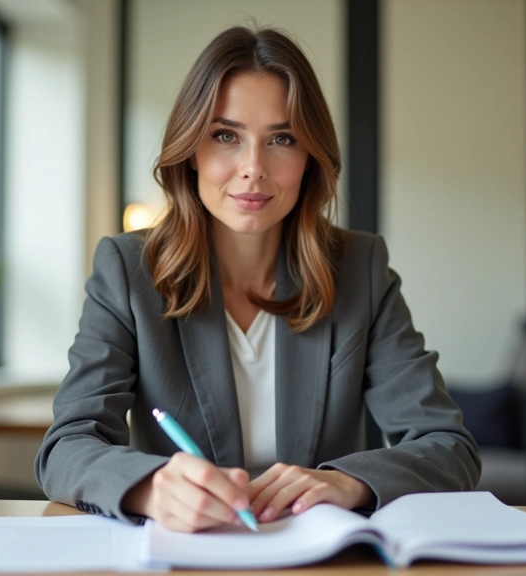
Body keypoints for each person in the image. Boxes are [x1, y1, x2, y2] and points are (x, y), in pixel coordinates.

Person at [35, 26, 480, 533]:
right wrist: (152, 487)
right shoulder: (127, 269)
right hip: (187, 555)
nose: (253, 168)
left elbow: (449, 447)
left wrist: (347, 481)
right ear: (190, 150)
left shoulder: (361, 269)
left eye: (282, 139)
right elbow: (65, 447)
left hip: (321, 562)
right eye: (226, 136)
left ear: (310, 157)